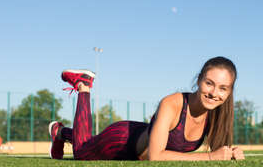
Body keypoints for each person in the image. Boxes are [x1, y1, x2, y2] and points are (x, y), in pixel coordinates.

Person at [49, 56, 245, 161]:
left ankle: (61, 132)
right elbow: (156, 156)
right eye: (209, 83)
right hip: (121, 141)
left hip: (140, 137)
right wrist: (210, 157)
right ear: (199, 79)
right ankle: (84, 87)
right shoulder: (172, 104)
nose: (214, 93)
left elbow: (221, 152)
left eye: (223, 88)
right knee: (82, 151)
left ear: (229, 92)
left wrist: (231, 153)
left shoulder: (217, 113)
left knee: (87, 142)